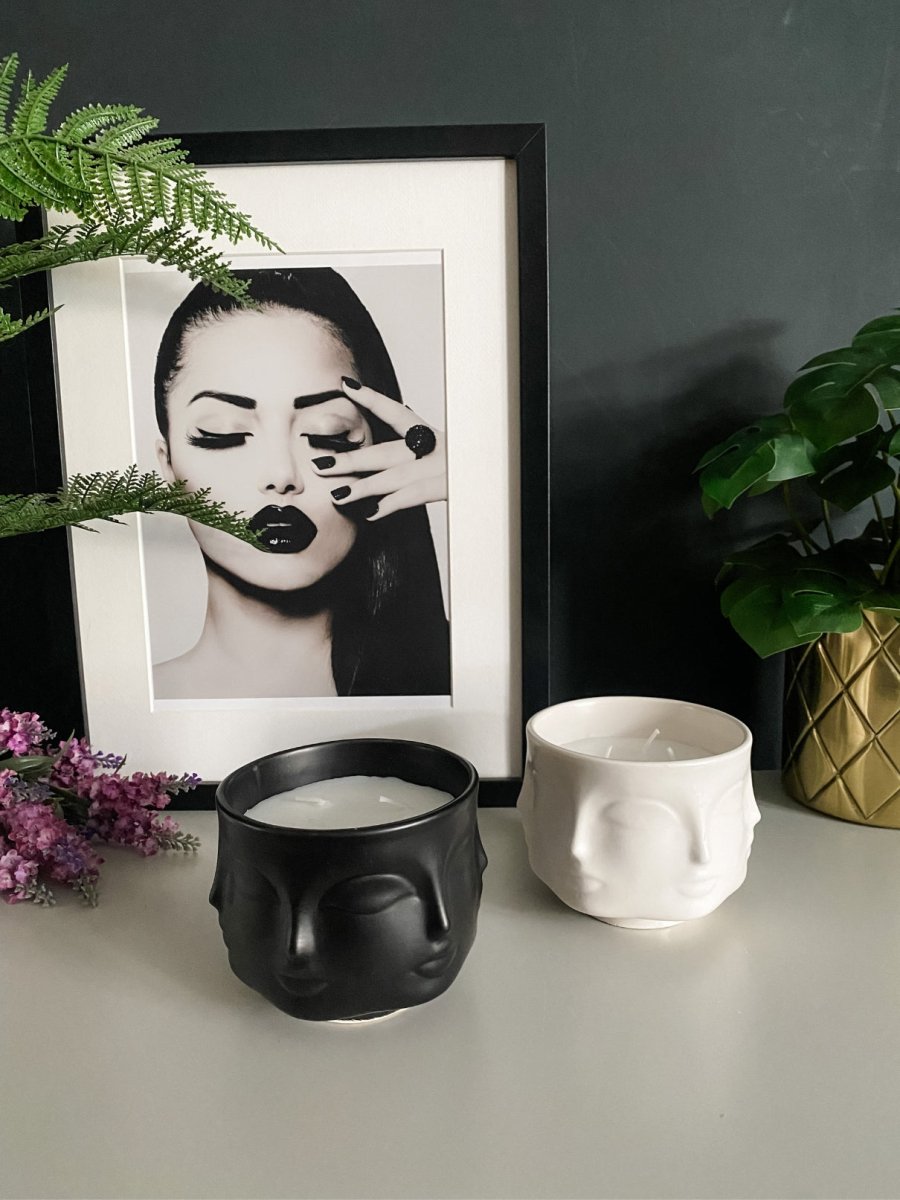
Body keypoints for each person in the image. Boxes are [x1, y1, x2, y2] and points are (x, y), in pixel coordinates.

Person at [151, 267, 450, 699]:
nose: (281, 476)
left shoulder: (467, 675)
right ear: (168, 466)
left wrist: (489, 484)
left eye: (328, 433)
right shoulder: (119, 711)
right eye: (224, 433)